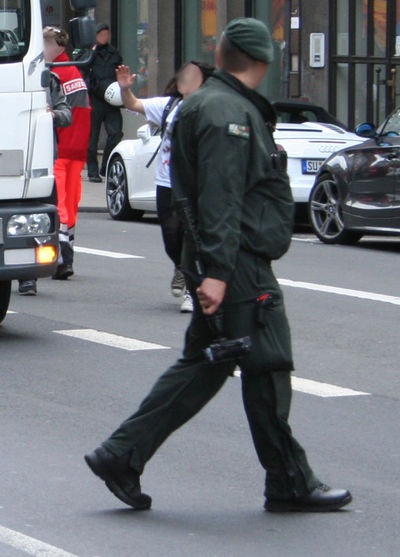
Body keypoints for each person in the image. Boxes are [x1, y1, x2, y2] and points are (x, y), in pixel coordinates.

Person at [85, 18, 352, 513]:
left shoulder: (208, 104)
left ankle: (121, 454)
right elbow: (221, 199)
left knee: (206, 365)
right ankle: (289, 479)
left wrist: (207, 266)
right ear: (263, 62)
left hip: (220, 258)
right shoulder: (228, 112)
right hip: (239, 263)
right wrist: (219, 273)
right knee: (267, 362)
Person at [116, 60, 214, 313]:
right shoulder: (169, 105)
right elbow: (134, 104)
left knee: (193, 236)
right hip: (166, 181)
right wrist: (125, 88)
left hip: (195, 184)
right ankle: (181, 267)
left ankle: (192, 292)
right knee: (171, 236)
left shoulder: (210, 108)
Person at [18, 69, 72, 295]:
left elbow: (67, 114)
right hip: (13, 152)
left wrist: (53, 115)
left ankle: (28, 277)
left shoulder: (49, 79)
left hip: (38, 160)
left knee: (37, 217)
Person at [43, 26, 91, 280]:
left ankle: (63, 257)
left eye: (45, 45)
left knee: (59, 205)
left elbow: (63, 113)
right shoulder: (73, 72)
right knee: (69, 205)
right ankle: (67, 255)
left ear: (56, 47)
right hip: (77, 146)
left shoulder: (56, 73)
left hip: (61, 146)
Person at [83, 23, 123, 182]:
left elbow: (120, 71)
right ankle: (92, 170)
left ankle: (106, 166)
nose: (105, 37)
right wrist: (92, 52)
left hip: (111, 99)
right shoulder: (88, 52)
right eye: (102, 34)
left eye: (107, 34)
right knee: (92, 136)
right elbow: (82, 69)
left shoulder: (115, 53)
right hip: (94, 98)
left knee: (115, 133)